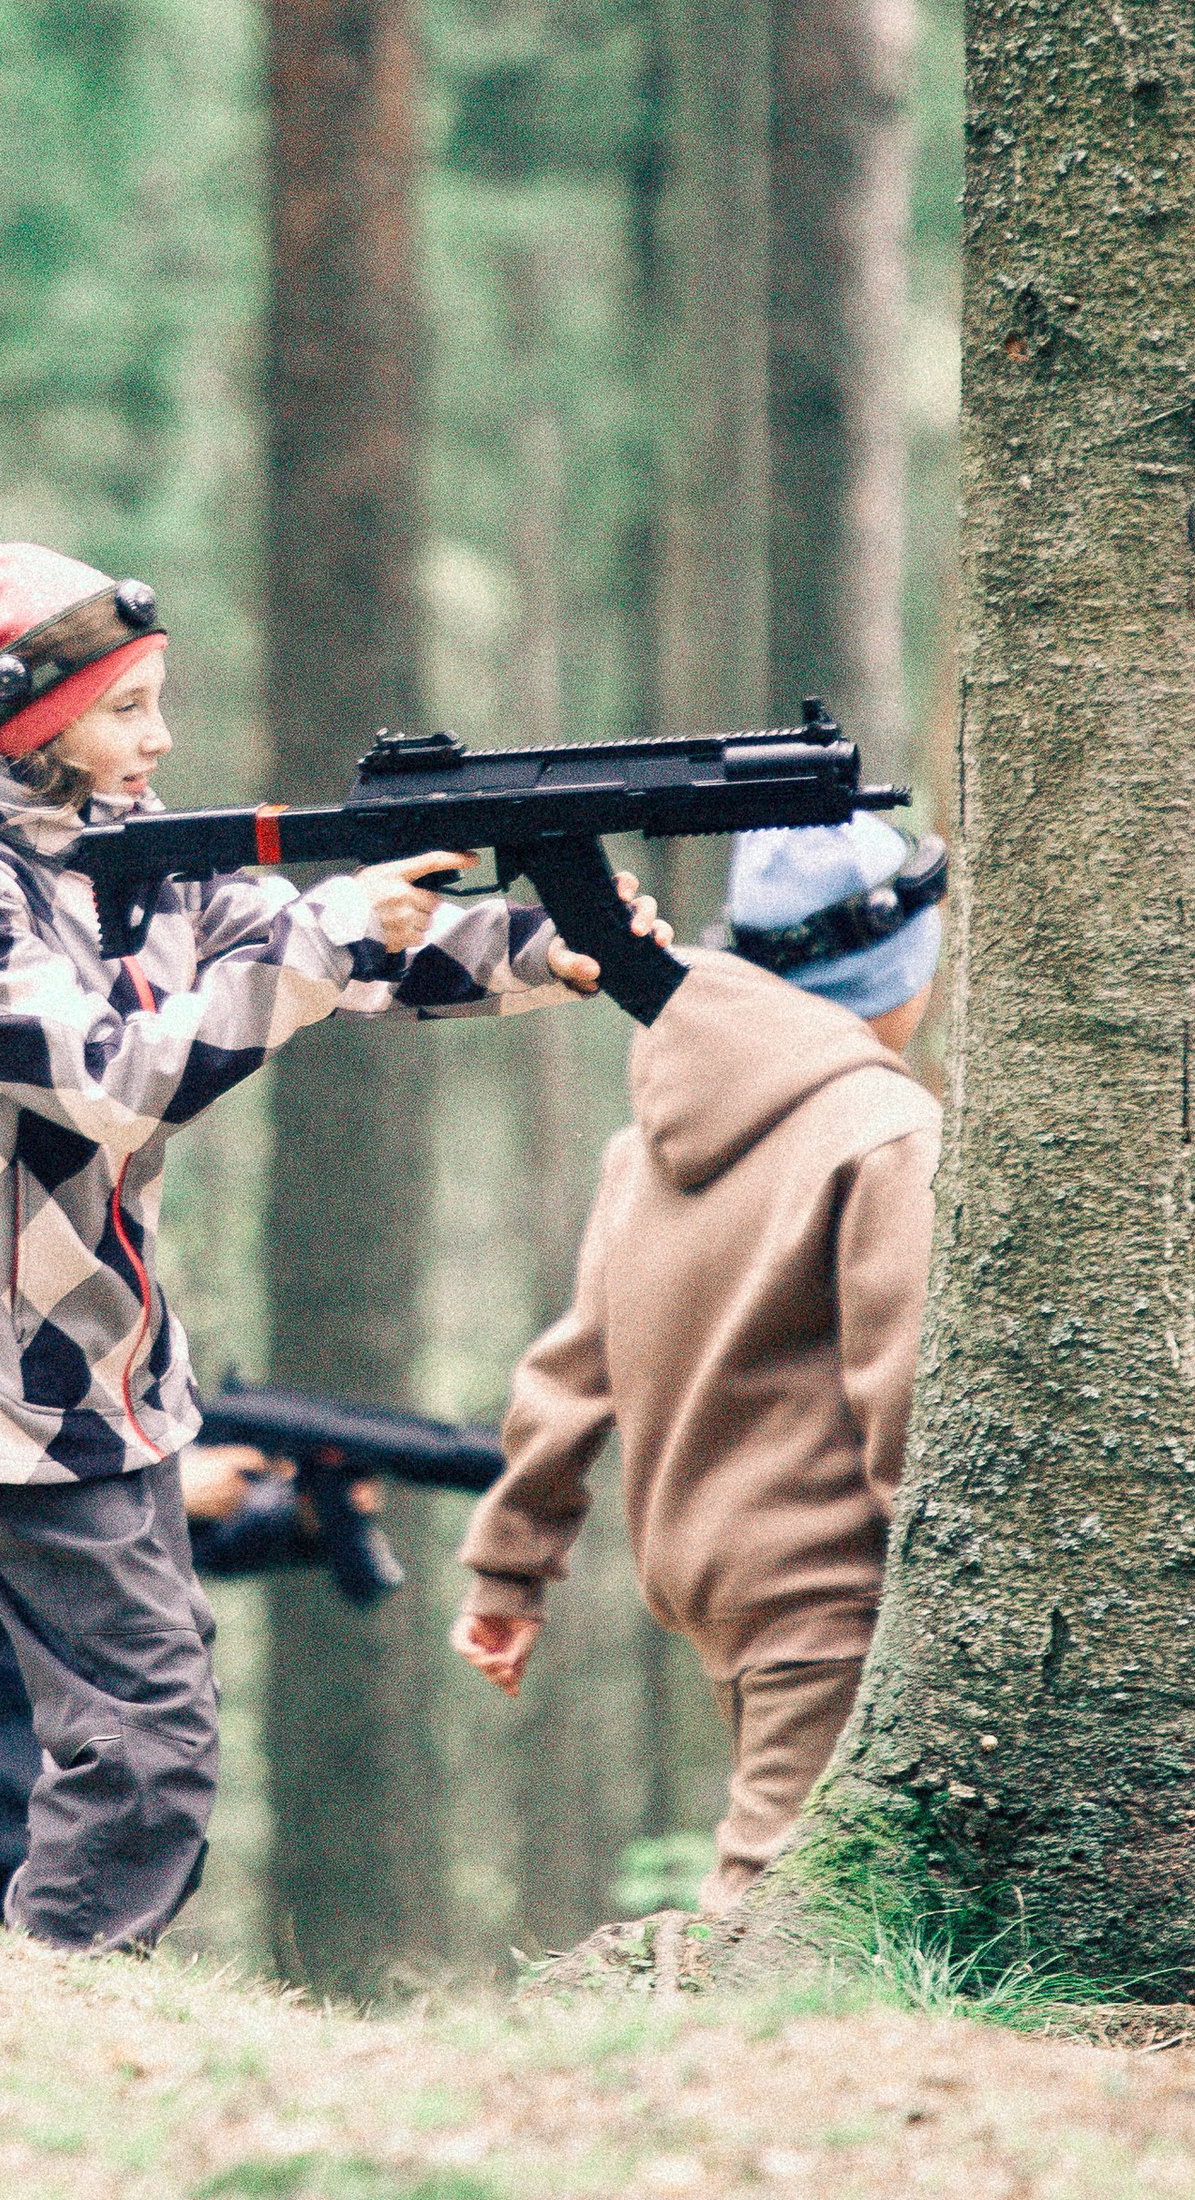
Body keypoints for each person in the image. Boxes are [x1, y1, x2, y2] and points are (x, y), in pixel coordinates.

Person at [0, 536, 660, 1953]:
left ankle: (51, 1996)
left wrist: (548, 950)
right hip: (7, 1373)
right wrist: (333, 938)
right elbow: (121, 1073)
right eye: (126, 708)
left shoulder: (121, 856)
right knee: (149, 1733)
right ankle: (59, 2004)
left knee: (145, 1713)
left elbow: (325, 948)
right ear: (26, 712)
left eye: (158, 699)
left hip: (113, 1370)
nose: (159, 737)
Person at [451, 811, 948, 1925]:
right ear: (899, 968)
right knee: (778, 1900)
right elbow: (907, 1386)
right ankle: (673, 2075)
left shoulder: (648, 1140)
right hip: (836, 1588)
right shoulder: (887, 1130)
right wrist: (966, 1584)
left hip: (719, 1585)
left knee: (812, 1881)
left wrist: (505, 1574)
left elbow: (569, 1376)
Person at [0, 1438, 335, 1925]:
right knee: (2, 1935)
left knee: (87, 1930)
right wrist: (168, 1493)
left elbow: (166, 1560)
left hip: (87, 1727)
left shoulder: (93, 1412)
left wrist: (298, 1513)